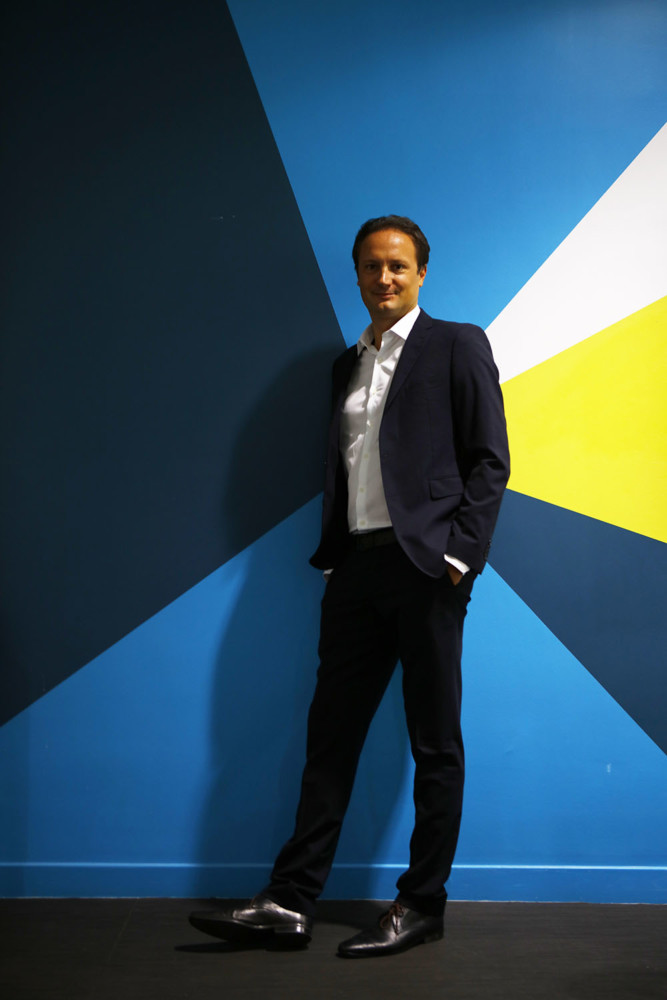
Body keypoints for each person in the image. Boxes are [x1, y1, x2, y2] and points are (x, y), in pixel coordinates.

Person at [190, 215, 510, 957]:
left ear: (421, 273)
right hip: (356, 570)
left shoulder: (456, 344)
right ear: (358, 275)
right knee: (329, 740)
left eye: (397, 265)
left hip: (426, 570)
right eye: (371, 266)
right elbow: (346, 469)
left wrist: (458, 561)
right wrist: (336, 559)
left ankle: (421, 904)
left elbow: (489, 461)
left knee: (435, 744)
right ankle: (289, 901)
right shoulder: (346, 365)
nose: (383, 278)